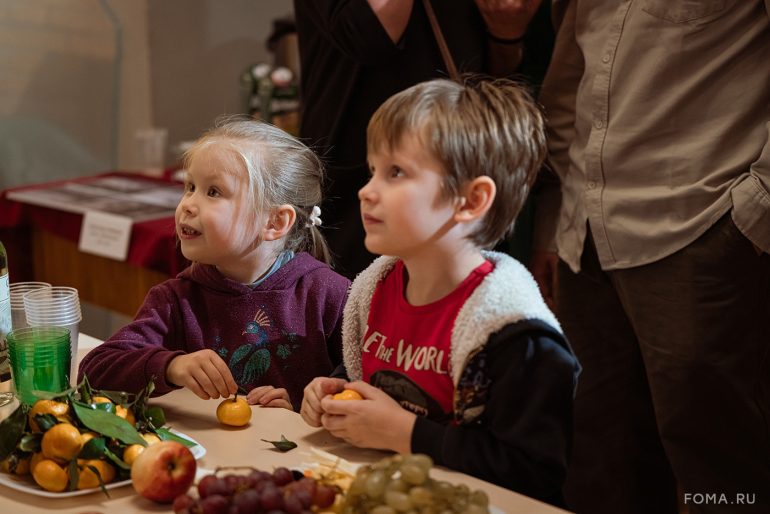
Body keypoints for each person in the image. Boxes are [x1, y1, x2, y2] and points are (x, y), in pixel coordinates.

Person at [530, 2, 770, 513]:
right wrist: (556, 222)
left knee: (719, 477)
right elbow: (569, 83)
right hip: (583, 237)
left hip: (700, 230)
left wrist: (753, 212)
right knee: (596, 462)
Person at [300, 77, 580, 506]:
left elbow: (532, 474)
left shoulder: (518, 336)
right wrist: (334, 393)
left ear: (470, 200)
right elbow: (374, 380)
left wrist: (404, 433)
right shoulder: (375, 291)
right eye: (374, 169)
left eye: (396, 172)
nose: (366, 189)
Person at [79, 119, 351, 412]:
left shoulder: (331, 296)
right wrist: (172, 365)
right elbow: (94, 370)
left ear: (274, 222)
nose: (188, 204)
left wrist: (304, 407)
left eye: (213, 192)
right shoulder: (176, 300)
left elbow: (366, 385)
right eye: (190, 186)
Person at [293, 0, 551, 277]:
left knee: (457, 290)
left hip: (461, 157)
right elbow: (367, 32)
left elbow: (492, 70)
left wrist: (505, 35)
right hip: (353, 151)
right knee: (364, 298)